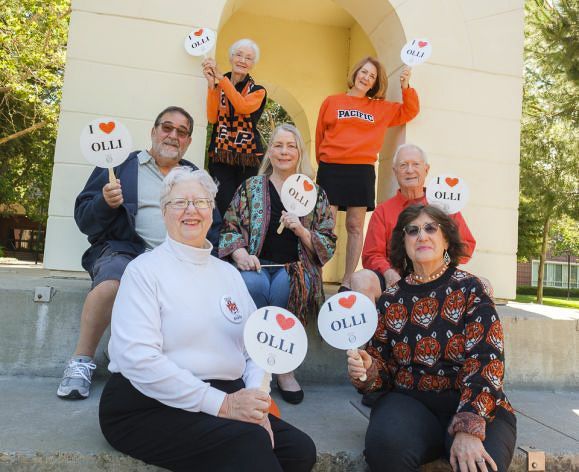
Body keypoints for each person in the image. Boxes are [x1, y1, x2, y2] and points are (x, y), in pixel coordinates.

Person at [99, 167, 316, 472]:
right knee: (250, 444)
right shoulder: (144, 271)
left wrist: (255, 402)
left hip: (223, 394)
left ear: (212, 211)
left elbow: (255, 347)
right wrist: (224, 405)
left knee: (300, 451)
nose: (191, 210)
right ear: (164, 213)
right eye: (179, 203)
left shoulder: (228, 273)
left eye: (200, 202)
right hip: (147, 403)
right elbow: (138, 360)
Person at [57, 106, 222, 400]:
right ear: (154, 131)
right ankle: (81, 360)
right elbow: (84, 218)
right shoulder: (120, 164)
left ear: (188, 140)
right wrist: (105, 203)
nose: (172, 136)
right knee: (111, 284)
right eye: (167, 128)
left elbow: (214, 224)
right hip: (125, 251)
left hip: (178, 259)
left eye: (181, 132)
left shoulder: (194, 176)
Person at [347, 204, 516, 472]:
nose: (421, 236)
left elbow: (488, 360)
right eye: (412, 231)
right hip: (410, 402)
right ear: (404, 242)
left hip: (472, 399)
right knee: (385, 447)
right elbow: (383, 372)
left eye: (430, 228)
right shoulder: (390, 299)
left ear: (446, 239)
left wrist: (469, 426)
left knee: (481, 464)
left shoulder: (471, 289)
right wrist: (368, 369)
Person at [219, 124, 336, 404]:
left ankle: (284, 368)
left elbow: (329, 241)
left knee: (286, 288)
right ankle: (252, 365)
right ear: (269, 151)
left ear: (299, 153)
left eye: (291, 146)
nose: (284, 152)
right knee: (252, 285)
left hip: (296, 269)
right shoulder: (250, 187)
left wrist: (302, 231)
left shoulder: (313, 193)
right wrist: (241, 255)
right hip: (256, 266)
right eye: (278, 145)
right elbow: (229, 226)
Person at [315, 56, 420, 291]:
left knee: (354, 226)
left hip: (361, 170)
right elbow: (320, 134)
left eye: (371, 76)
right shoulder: (332, 101)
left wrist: (405, 86)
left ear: (374, 83)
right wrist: (322, 163)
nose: (366, 78)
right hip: (331, 168)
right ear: (355, 73)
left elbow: (409, 111)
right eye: (363, 72)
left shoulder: (379, 108)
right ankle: (316, 275)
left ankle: (347, 280)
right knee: (325, 225)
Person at [351, 143, 476, 301]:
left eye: (416, 164)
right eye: (403, 165)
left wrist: (441, 265)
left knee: (483, 285)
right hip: (395, 279)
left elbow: (466, 247)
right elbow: (372, 255)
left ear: (426, 169)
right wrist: (389, 272)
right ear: (395, 171)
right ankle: (375, 326)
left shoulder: (444, 204)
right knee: (361, 280)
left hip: (438, 279)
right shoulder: (383, 211)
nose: (410, 170)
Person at [202, 38, 267, 217]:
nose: (242, 60)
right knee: (221, 204)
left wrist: (221, 80)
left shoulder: (258, 90)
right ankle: (219, 243)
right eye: (239, 55)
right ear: (231, 58)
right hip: (221, 155)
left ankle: (241, 244)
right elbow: (212, 117)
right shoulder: (219, 84)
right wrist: (211, 85)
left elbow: (242, 106)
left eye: (248, 58)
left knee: (244, 207)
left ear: (252, 64)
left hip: (248, 158)